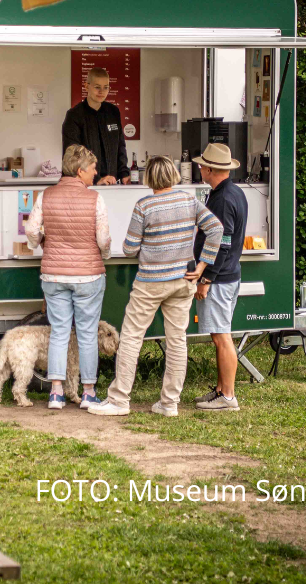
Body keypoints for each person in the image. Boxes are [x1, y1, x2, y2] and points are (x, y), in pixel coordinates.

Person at [89, 156, 223, 417]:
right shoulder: (188, 199)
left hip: (150, 283)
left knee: (131, 338)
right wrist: (203, 265)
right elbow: (216, 228)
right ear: (173, 174)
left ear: (149, 178)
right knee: (177, 341)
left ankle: (119, 400)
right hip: (183, 281)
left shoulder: (144, 206)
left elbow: (129, 249)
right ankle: (169, 403)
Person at [24, 144, 110, 409]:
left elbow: (31, 230)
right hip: (88, 276)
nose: (95, 173)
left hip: (53, 275)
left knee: (59, 332)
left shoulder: (46, 196)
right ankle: (87, 393)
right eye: (93, 168)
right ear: (81, 170)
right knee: (86, 333)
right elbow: (103, 239)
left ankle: (56, 394)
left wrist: (40, 243)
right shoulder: (95, 198)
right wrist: (103, 255)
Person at [189, 143, 248, 412]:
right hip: (227, 276)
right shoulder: (231, 192)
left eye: (202, 164)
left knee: (222, 337)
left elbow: (222, 244)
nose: (199, 167)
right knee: (218, 335)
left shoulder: (222, 199)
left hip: (219, 279)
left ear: (212, 169)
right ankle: (221, 390)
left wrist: (206, 279)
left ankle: (228, 398)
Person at [62, 67, 130, 185]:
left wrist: (124, 173)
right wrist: (97, 179)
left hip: (113, 184)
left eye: (106, 87)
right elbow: (72, 157)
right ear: (86, 86)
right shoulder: (74, 115)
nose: (101, 92)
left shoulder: (113, 112)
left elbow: (120, 146)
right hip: (85, 186)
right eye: (97, 87)